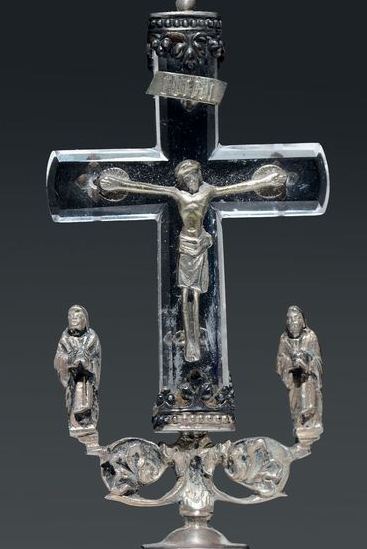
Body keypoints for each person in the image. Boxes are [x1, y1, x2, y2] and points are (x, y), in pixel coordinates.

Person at [98, 158, 286, 361]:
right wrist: (119, 184)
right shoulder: (177, 194)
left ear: (199, 175)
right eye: (187, 178)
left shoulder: (208, 191)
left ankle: (194, 342)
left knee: (196, 294)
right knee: (184, 292)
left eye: (194, 176)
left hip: (200, 245)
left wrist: (265, 181)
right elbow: (150, 188)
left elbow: (234, 188)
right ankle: (189, 341)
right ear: (183, 181)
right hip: (185, 246)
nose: (191, 181)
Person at [276, 305, 322, 439]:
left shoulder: (310, 337)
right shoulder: (284, 339)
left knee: (309, 408)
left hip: (308, 381)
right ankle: (299, 426)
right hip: (294, 381)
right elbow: (280, 360)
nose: (292, 322)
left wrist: (306, 365)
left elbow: (317, 359)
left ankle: (310, 425)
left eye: (296, 318)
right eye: (289, 318)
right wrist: (291, 363)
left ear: (303, 321)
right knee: (296, 408)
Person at [54, 305, 101, 434]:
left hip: (86, 381)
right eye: (71, 317)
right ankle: (75, 422)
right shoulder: (64, 339)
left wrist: (87, 363)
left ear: (84, 320)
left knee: (87, 404)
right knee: (73, 403)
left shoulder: (92, 338)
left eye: (77, 317)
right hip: (73, 381)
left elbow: (96, 359)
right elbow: (58, 359)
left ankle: (86, 422)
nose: (73, 319)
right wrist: (70, 360)